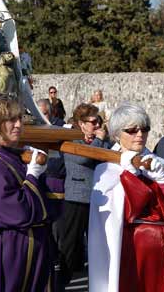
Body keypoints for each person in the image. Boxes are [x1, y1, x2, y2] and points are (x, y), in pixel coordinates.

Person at [89, 103, 164, 292]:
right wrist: (129, 176)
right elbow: (119, 212)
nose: (140, 134)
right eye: (132, 130)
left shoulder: (161, 165)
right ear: (117, 134)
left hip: (163, 247)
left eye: (144, 129)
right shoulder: (106, 169)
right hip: (129, 248)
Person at [0, 93, 65, 291]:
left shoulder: (17, 157)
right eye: (11, 119)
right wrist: (33, 176)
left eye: (20, 118)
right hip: (2, 256)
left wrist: (46, 169)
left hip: (32, 255)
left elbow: (53, 207)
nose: (19, 124)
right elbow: (19, 212)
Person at [55, 103, 112, 286]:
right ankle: (61, 284)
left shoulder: (102, 140)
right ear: (81, 123)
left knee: (99, 245)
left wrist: (102, 140)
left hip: (98, 198)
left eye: (98, 121)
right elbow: (83, 157)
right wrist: (99, 140)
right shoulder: (71, 139)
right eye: (93, 122)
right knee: (70, 245)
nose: (97, 125)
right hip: (77, 198)